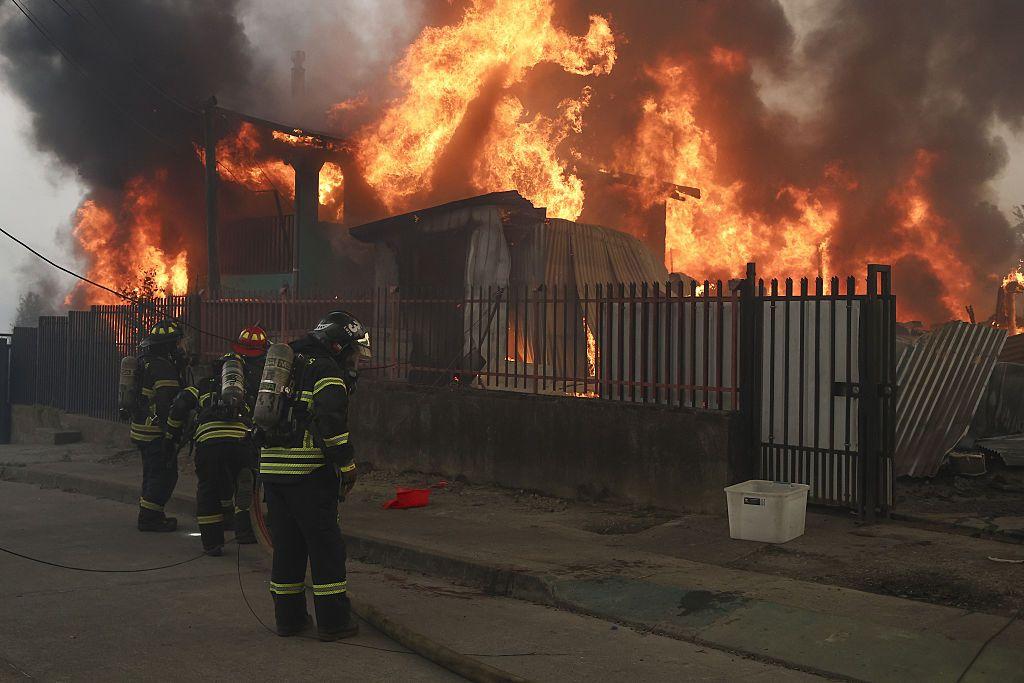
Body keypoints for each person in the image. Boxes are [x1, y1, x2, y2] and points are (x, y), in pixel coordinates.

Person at [259, 311, 369, 640]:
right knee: (326, 548)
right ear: (337, 346)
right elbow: (332, 423)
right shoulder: (327, 371)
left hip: (273, 471)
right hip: (307, 472)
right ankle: (335, 622)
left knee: (287, 547)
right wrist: (347, 464)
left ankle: (289, 620)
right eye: (352, 352)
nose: (354, 360)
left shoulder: (289, 362)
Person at [166, 326, 269, 555]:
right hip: (241, 440)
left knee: (208, 491)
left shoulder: (204, 384)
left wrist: (170, 435)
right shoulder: (251, 386)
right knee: (246, 483)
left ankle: (212, 543)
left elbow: (181, 404)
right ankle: (244, 532)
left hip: (209, 441)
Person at [130, 319, 187, 532]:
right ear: (168, 346)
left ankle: (151, 513)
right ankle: (149, 518)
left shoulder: (145, 361)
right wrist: (171, 433)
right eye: (177, 344)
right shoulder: (163, 367)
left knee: (152, 473)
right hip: (155, 431)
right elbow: (166, 404)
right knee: (165, 474)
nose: (180, 349)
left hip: (141, 429)